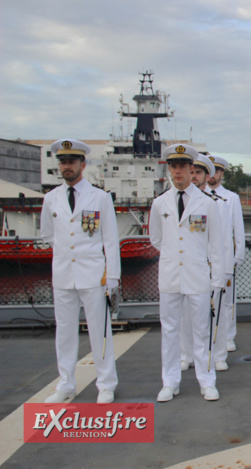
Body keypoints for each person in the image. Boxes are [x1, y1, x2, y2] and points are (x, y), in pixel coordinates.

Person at [41, 139, 120, 404]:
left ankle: (106, 383)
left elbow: (110, 240)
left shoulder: (100, 197)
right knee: (64, 332)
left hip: (93, 274)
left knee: (100, 331)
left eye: (72, 162)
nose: (67, 167)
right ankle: (65, 384)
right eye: (63, 162)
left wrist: (112, 277)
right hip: (63, 275)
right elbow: (49, 236)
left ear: (82, 165)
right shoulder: (50, 199)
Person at [150, 144, 227, 402]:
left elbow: (216, 245)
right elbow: (156, 240)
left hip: (197, 277)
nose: (179, 171)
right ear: (169, 169)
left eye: (183, 166)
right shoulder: (159, 203)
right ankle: (170, 382)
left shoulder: (207, 203)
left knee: (202, 331)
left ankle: (207, 380)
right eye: (174, 166)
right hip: (170, 276)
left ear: (191, 168)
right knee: (170, 331)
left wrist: (217, 279)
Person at [180, 155, 235, 372]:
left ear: (206, 176)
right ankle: (186, 354)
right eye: (191, 172)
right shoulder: (180, 201)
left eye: (198, 173)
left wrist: (223, 268)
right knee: (186, 315)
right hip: (188, 267)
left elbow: (222, 241)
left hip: (212, 267)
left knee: (217, 311)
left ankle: (219, 354)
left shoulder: (217, 204)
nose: (194, 177)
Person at [206, 155, 246, 354]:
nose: (212, 175)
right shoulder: (198, 196)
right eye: (209, 170)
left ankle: (228, 336)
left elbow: (238, 229)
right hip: (203, 259)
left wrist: (237, 256)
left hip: (225, 259)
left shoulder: (231, 198)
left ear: (221, 174)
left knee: (228, 302)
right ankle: (207, 337)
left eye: (216, 171)